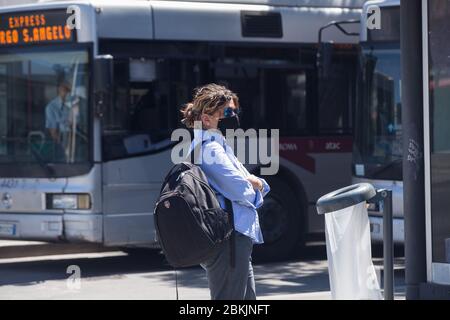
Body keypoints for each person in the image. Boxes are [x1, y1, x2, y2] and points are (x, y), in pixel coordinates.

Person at [181, 83, 270, 300]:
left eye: (233, 111)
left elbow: (241, 182)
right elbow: (242, 190)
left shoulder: (215, 145)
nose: (232, 116)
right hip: (229, 240)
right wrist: (257, 186)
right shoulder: (210, 149)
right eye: (226, 112)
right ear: (206, 119)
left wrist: (252, 182)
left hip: (234, 239)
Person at [44, 81, 79, 161]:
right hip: (62, 140)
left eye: (69, 91)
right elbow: (53, 132)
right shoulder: (51, 107)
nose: (68, 93)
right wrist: (64, 148)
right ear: (60, 90)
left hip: (78, 138)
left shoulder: (74, 104)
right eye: (65, 90)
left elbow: (79, 121)